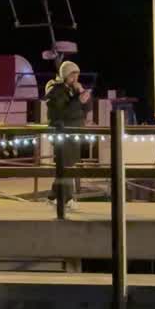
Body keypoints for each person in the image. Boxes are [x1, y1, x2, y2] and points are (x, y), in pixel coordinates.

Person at [45, 61, 91, 211]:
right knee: (66, 166)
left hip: (73, 133)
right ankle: (68, 198)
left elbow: (86, 109)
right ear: (65, 75)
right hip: (62, 133)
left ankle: (53, 196)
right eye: (72, 75)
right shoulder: (56, 90)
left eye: (77, 75)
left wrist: (82, 94)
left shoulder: (73, 90)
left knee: (66, 166)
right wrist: (78, 101)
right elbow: (62, 113)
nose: (75, 78)